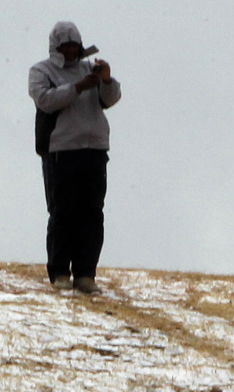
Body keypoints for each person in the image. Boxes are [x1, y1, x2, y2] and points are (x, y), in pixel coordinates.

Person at [28, 21, 121, 294]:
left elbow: (111, 99)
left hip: (94, 149)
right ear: (56, 48)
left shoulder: (88, 68)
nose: (71, 51)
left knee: (92, 214)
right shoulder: (41, 70)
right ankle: (59, 273)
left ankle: (85, 274)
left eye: (74, 46)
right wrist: (78, 87)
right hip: (61, 150)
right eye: (65, 46)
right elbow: (45, 100)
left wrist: (105, 79)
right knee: (62, 213)